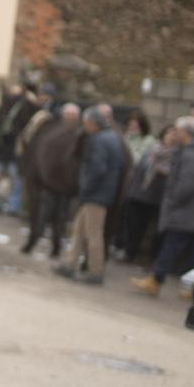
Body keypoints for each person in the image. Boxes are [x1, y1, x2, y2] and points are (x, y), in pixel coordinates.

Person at [134, 117, 194, 296]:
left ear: (185, 133)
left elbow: (187, 185)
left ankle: (156, 280)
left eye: (178, 131)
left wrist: (172, 201)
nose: (175, 134)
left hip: (188, 211)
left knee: (172, 245)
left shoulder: (191, 154)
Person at [53, 103, 123, 284]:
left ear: (92, 123)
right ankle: (69, 263)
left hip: (96, 195)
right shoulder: (112, 137)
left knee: (93, 233)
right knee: (79, 229)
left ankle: (95, 271)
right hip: (101, 193)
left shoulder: (98, 140)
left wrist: (86, 187)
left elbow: (97, 169)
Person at [20, 102, 83, 259]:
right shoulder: (53, 131)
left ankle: (53, 246)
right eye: (67, 115)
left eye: (72, 116)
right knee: (47, 213)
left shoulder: (78, 136)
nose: (69, 119)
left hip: (64, 187)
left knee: (60, 216)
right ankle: (36, 241)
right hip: (50, 184)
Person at [0, 82, 40, 217]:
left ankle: (12, 206)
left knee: (15, 178)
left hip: (16, 148)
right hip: (3, 146)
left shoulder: (28, 105)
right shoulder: (8, 103)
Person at [114, 110, 160, 261]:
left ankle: (128, 249)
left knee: (133, 220)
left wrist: (127, 152)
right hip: (122, 182)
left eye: (136, 125)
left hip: (138, 187)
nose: (133, 128)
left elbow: (138, 160)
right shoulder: (125, 138)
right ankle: (117, 244)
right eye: (131, 124)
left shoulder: (148, 141)